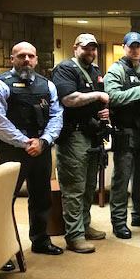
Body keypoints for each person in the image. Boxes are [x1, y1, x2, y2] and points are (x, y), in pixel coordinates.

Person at [0, 42, 65, 269]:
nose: (26, 59)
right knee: (3, 202)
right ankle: (1, 251)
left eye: (30, 56)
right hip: (12, 150)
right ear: (12, 59)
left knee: (41, 198)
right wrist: (25, 142)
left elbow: (57, 115)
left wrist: (44, 141)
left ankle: (40, 240)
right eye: (21, 56)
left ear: (36, 59)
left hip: (42, 148)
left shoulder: (47, 85)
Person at [52, 33, 109, 253]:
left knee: (88, 187)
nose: (91, 52)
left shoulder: (95, 71)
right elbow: (69, 99)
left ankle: (84, 225)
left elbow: (100, 99)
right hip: (73, 136)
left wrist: (103, 112)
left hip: (92, 134)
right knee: (74, 187)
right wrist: (97, 96)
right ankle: (74, 235)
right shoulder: (65, 69)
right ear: (75, 47)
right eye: (86, 48)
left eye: (94, 49)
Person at [104, 31, 140, 240]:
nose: (135, 49)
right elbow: (112, 97)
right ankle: (119, 222)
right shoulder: (116, 70)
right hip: (125, 132)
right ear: (124, 47)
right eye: (131, 46)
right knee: (121, 180)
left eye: (138, 46)